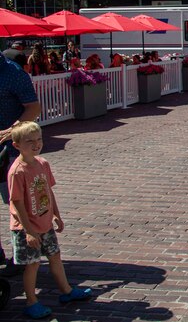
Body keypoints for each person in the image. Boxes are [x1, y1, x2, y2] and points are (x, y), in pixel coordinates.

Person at [8, 122, 92, 319]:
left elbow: (48, 191)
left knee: (55, 257)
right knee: (33, 264)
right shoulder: (17, 171)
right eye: (29, 141)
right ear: (17, 145)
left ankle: (67, 291)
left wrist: (56, 214)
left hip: (45, 223)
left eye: (39, 140)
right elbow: (17, 203)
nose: (36, 144)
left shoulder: (43, 164)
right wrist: (28, 230)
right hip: (27, 227)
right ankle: (31, 301)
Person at [0, 52, 41, 277]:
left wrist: (10, 131)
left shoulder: (12, 72)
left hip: (8, 150)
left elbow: (33, 108)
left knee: (16, 204)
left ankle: (24, 255)